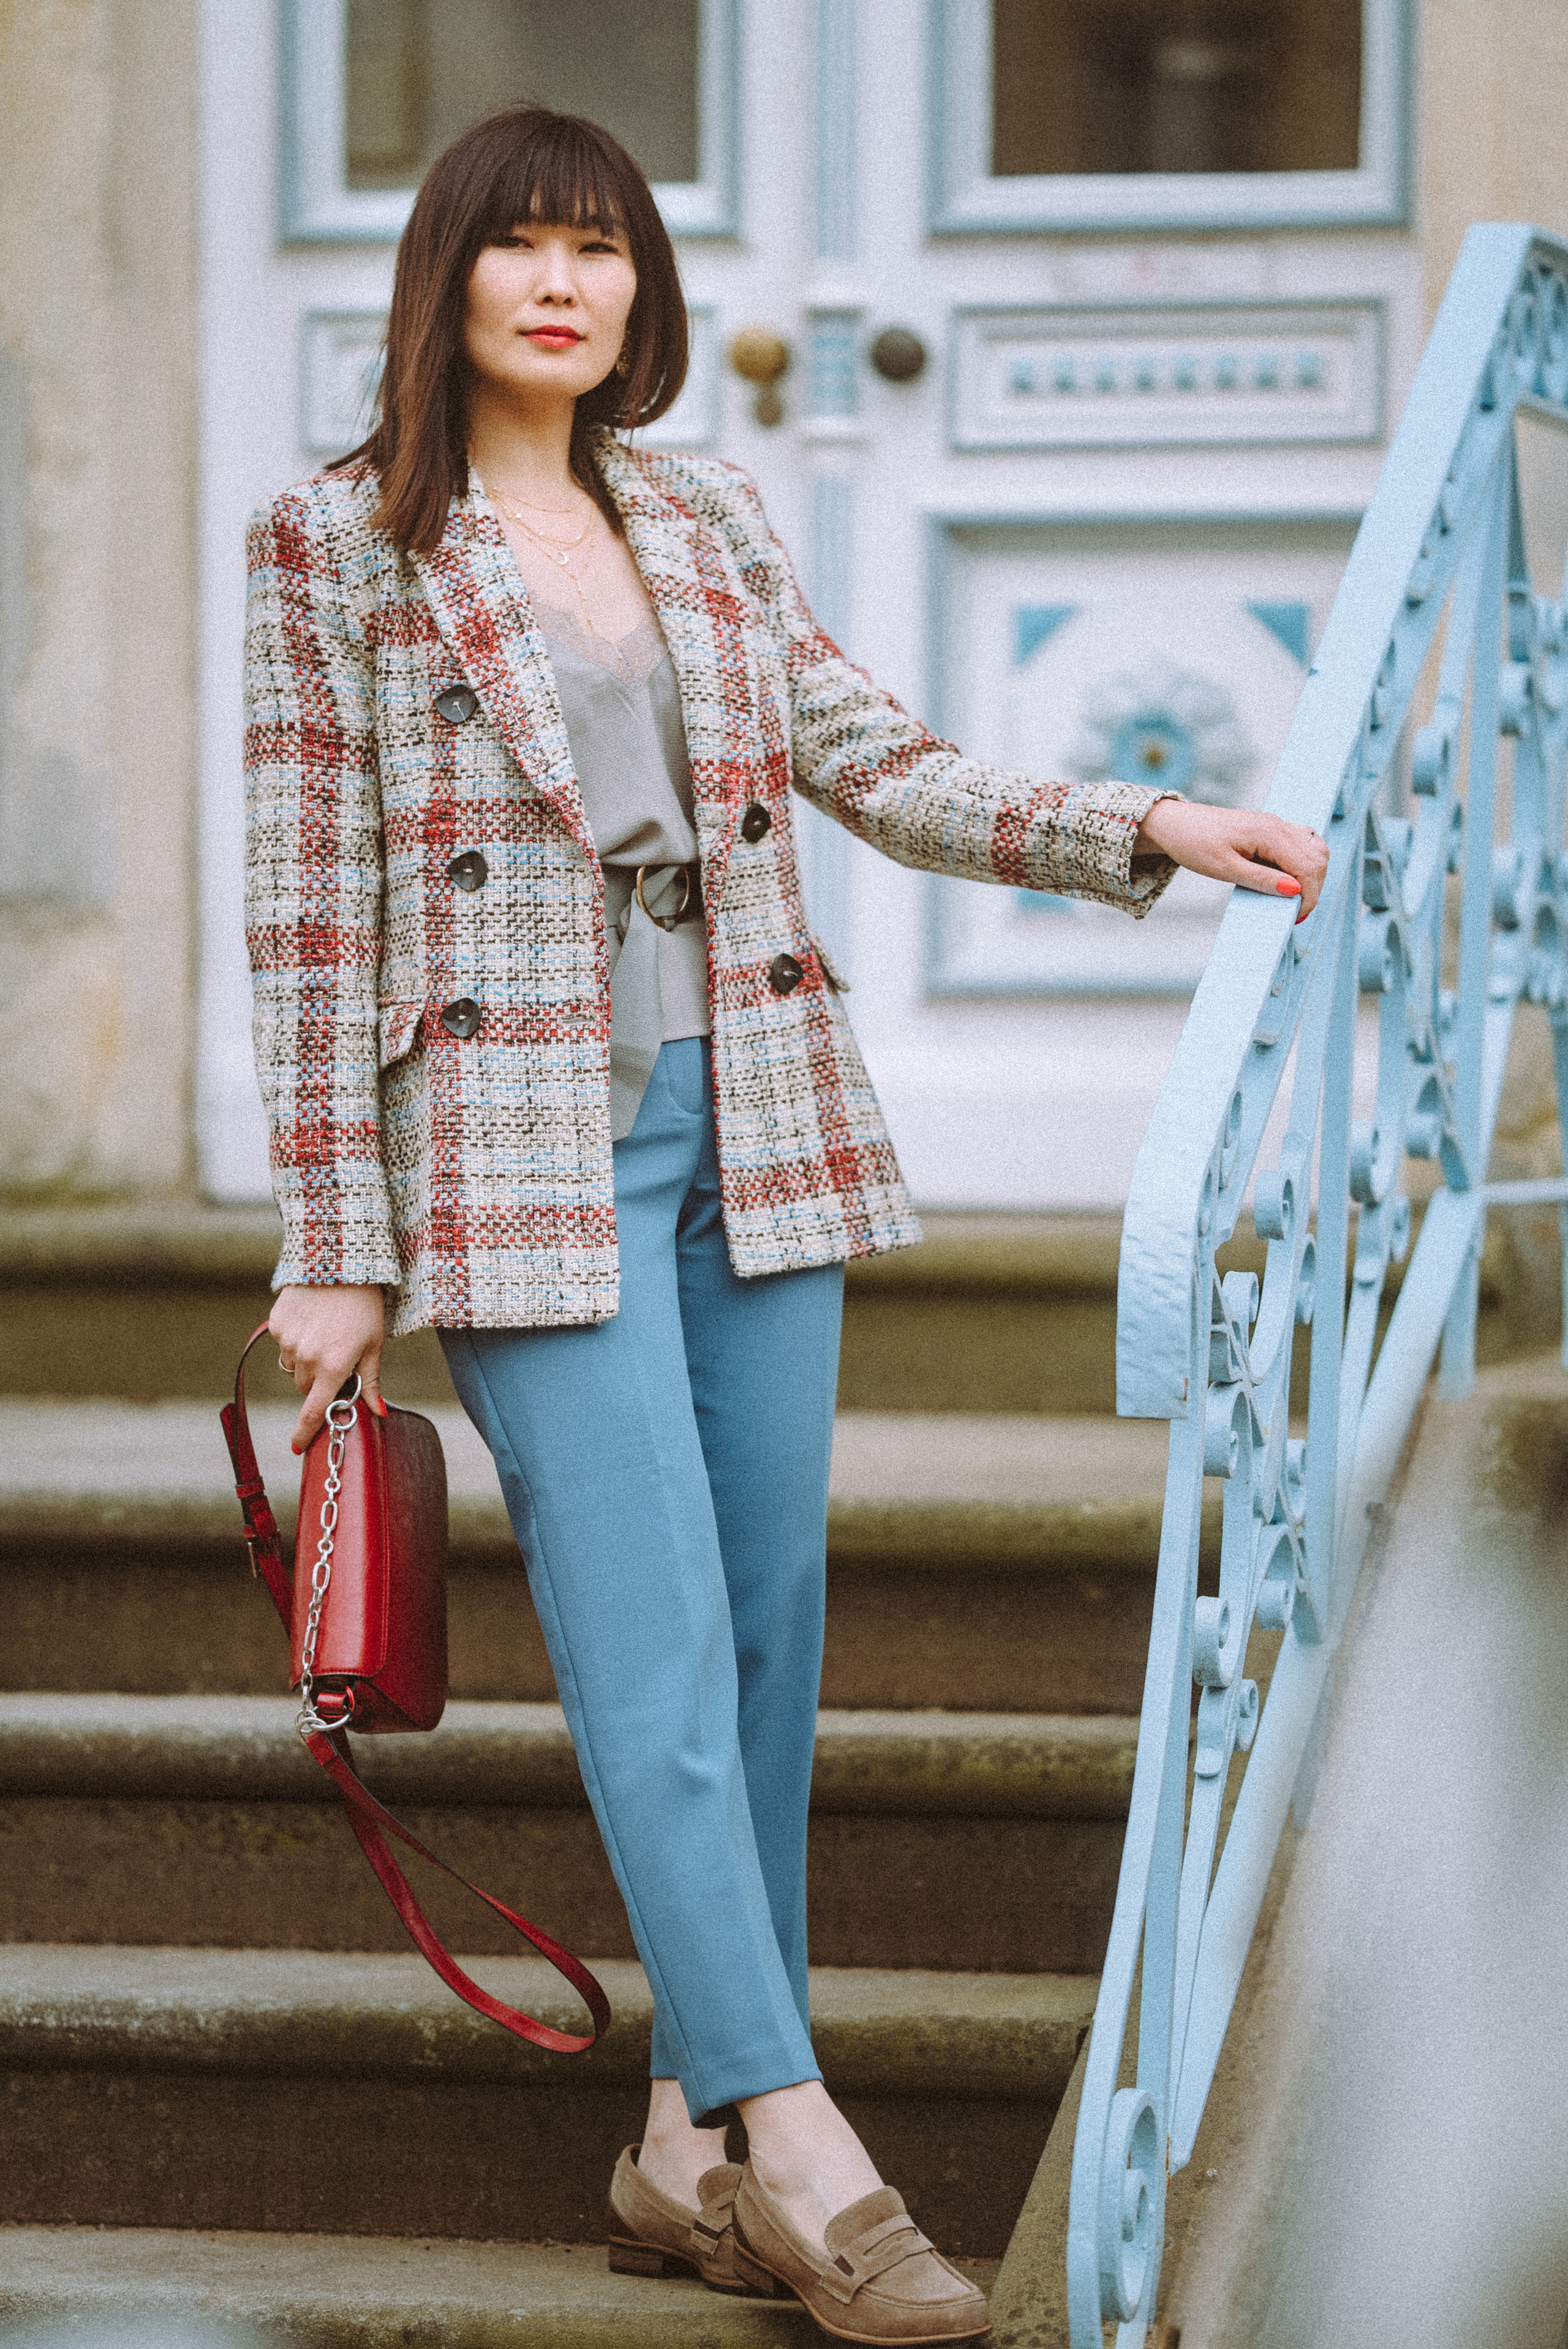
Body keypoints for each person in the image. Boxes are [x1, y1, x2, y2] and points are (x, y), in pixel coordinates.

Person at [246, 105, 1326, 2345]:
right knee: (644, 1657)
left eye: (604, 248)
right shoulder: (337, 544)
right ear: (440, 277)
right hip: (526, 1147)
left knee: (760, 1646)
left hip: (755, 1119)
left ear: (644, 287)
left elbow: (883, 760)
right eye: (520, 246)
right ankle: (808, 2150)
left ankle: (678, 2142)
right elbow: (307, 922)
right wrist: (333, 1233)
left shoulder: (705, 505)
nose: (566, 282)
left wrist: (1146, 820)